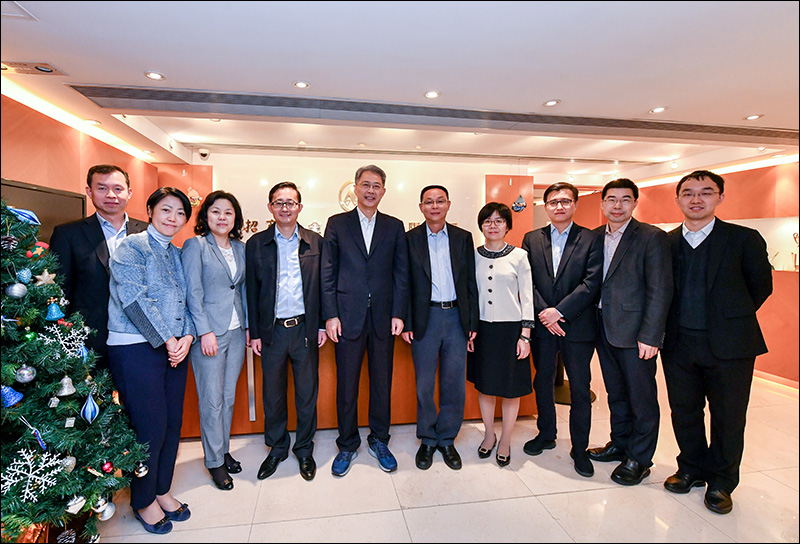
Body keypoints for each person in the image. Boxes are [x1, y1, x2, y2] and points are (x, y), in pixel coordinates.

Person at [661, 170, 772, 515]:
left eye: (706, 192)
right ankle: (691, 468)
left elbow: (760, 286)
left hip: (730, 346)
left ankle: (722, 482)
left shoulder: (743, 239)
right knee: (684, 411)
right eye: (688, 193)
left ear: (720, 197)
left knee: (728, 416)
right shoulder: (666, 242)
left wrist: (728, 319)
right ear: (678, 199)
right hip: (678, 343)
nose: (696, 199)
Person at [106, 187, 195, 535]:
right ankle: (143, 500)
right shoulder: (132, 247)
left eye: (180, 213)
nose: (173, 218)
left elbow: (187, 302)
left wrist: (187, 337)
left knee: (172, 423)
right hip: (135, 347)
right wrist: (170, 339)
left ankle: (161, 490)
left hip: (175, 348)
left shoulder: (176, 253)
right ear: (150, 210)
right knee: (149, 427)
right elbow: (133, 300)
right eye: (166, 210)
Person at [321, 164, 410, 477]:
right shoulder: (337, 224)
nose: (371, 190)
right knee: (347, 385)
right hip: (347, 318)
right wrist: (330, 315)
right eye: (365, 185)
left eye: (376, 186)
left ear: (383, 191)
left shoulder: (394, 226)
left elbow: (401, 273)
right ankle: (347, 444)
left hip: (384, 318)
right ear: (355, 188)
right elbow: (328, 272)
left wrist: (399, 312)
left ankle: (380, 440)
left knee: (382, 383)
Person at [588, 178, 672, 486]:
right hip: (602, 327)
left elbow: (660, 289)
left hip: (636, 332)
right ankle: (620, 444)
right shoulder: (594, 236)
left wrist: (651, 335)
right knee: (616, 393)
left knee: (641, 398)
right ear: (602, 204)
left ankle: (640, 458)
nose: (618, 205)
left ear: (635, 203)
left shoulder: (651, 237)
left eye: (625, 199)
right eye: (611, 199)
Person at [521, 182, 603, 477]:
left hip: (577, 327)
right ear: (545, 206)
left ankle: (579, 448)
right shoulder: (532, 238)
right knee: (542, 381)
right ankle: (546, 434)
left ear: (575, 204)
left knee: (579, 388)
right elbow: (526, 280)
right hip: (543, 326)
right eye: (553, 202)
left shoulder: (592, 238)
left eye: (565, 201)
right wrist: (546, 314)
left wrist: (560, 312)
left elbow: (592, 282)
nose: (559, 206)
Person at [246, 181, 326, 482]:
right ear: (270, 208)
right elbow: (251, 292)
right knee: (273, 395)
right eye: (279, 202)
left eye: (290, 203)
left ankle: (304, 449)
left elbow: (324, 286)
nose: (285, 208)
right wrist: (255, 332)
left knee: (306, 394)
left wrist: (321, 323)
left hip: (305, 329)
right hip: (272, 332)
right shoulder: (257, 243)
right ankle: (277, 448)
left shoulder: (315, 242)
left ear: (299, 208)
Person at [402, 185, 479, 471]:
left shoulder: (462, 237)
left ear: (448, 204)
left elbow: (470, 282)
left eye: (440, 201)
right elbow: (404, 283)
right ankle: (427, 438)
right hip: (426, 318)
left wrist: (472, 322)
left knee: (453, 382)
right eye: (429, 202)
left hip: (457, 317)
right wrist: (407, 321)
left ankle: (447, 438)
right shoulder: (410, 239)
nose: (434, 206)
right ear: (421, 207)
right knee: (424, 383)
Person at [50, 164, 148, 368]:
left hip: (140, 336)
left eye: (118, 189)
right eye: (102, 188)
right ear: (89, 192)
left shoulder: (148, 232)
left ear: (129, 193)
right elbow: (60, 289)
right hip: (89, 336)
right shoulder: (68, 234)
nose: (111, 195)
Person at [181, 190, 248, 491]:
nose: (222, 217)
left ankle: (223, 450)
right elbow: (192, 292)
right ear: (206, 215)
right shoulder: (195, 246)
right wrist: (204, 331)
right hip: (209, 334)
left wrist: (248, 327)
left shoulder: (240, 248)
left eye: (228, 212)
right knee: (212, 400)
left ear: (236, 218)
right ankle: (214, 461)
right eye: (216, 211)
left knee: (228, 397)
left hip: (236, 331)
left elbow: (241, 290)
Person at [467, 202, 534, 468]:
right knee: (485, 386)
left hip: (511, 330)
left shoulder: (519, 256)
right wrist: (470, 330)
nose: (492, 225)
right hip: (482, 329)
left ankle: (505, 439)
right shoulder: (473, 255)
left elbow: (527, 297)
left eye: (499, 221)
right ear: (481, 225)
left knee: (509, 388)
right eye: (487, 221)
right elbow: (469, 295)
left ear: (507, 225)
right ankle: (489, 435)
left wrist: (525, 336)